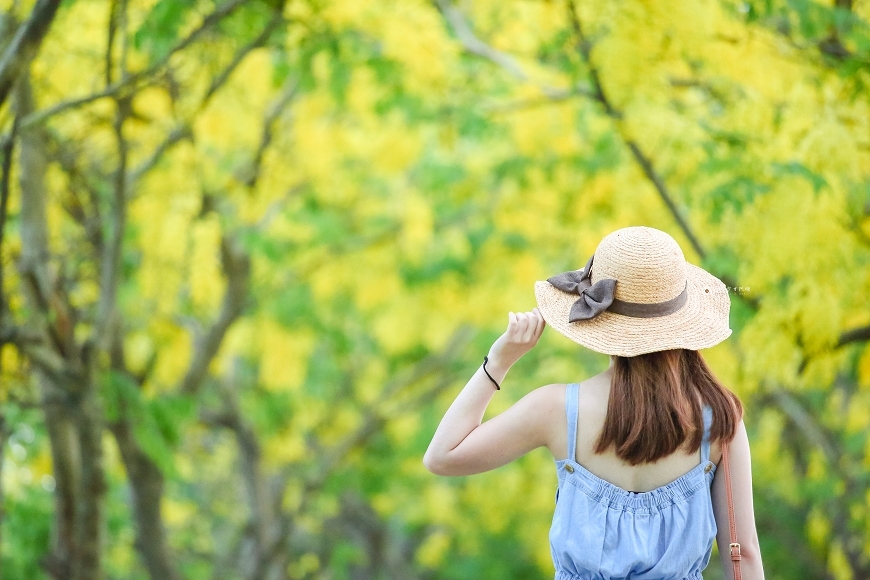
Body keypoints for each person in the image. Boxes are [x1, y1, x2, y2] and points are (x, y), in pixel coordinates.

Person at [423, 226, 765, 580]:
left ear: (598, 318)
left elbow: (442, 456)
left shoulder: (557, 409)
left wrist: (499, 361)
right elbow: (745, 551)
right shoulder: (720, 419)